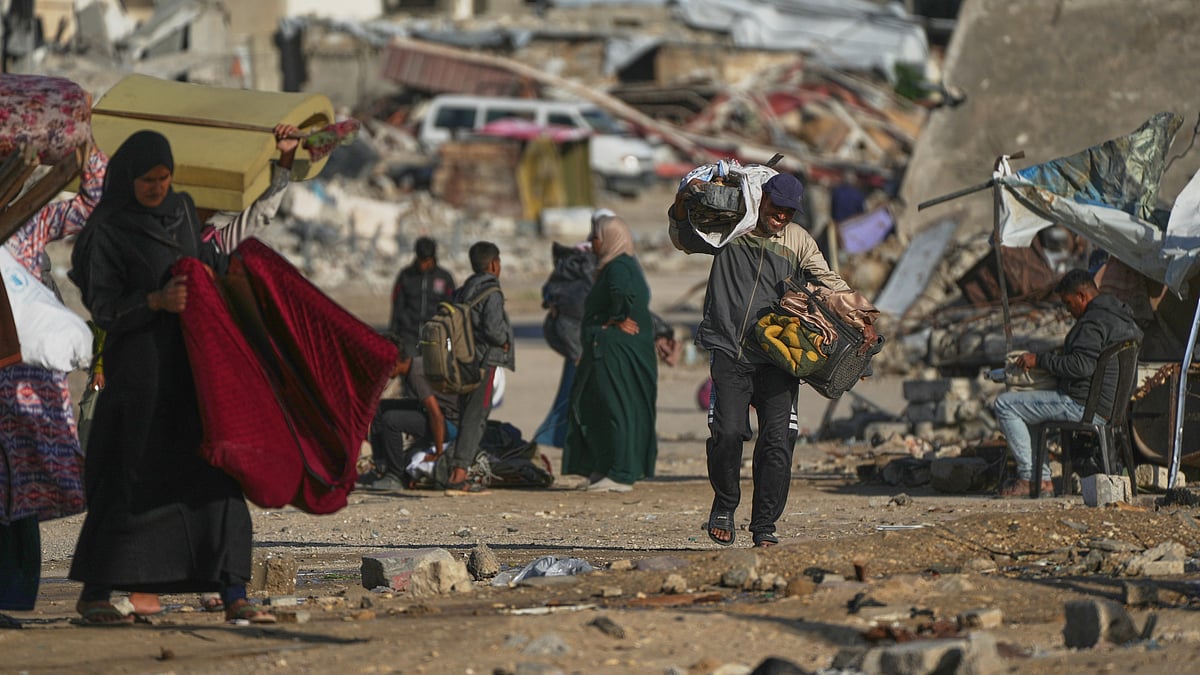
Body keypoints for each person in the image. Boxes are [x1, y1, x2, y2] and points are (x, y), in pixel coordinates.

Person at [80, 123, 300, 617]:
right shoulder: (106, 231)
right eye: (147, 180)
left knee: (216, 480)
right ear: (127, 178)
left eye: (164, 177)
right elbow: (103, 307)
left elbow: (212, 260)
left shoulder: (180, 213)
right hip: (138, 382)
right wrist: (154, 300)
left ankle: (234, 593)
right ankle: (96, 594)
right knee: (127, 484)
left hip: (190, 378)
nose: (157, 187)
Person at [670, 170, 872, 548]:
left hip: (780, 355)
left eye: (788, 212)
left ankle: (764, 525)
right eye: (776, 209)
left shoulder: (797, 240)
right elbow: (684, 239)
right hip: (729, 347)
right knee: (728, 432)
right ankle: (725, 506)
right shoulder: (733, 224)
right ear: (761, 199)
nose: (780, 217)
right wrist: (681, 204)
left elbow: (829, 283)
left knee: (779, 442)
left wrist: (862, 319)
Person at [0, 144, 105, 621]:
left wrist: (86, 148)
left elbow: (91, 202)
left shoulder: (28, 224)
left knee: (20, 485)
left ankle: (13, 595)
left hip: (22, 378)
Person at [992, 268, 1143, 498]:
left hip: (1084, 406)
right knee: (1028, 405)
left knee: (1005, 404)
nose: (1068, 309)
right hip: (1110, 409)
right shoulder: (1121, 318)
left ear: (1082, 296)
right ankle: (1039, 479)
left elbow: (1081, 366)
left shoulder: (1092, 322)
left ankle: (1032, 478)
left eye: (1068, 302)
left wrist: (1040, 360)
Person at [562, 212, 658, 493]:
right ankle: (605, 467)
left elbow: (622, 294)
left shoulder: (618, 268)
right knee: (600, 407)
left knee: (618, 407)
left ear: (611, 239)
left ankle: (620, 473)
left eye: (596, 237)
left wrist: (616, 318)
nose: (592, 242)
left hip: (616, 350)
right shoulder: (620, 265)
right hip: (613, 348)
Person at [444, 241, 512, 494]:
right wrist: (504, 341)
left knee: (466, 416)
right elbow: (494, 330)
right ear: (494, 264)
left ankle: (455, 469)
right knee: (476, 418)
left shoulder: (463, 290)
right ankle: (458, 476)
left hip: (462, 362)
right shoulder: (491, 292)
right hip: (484, 363)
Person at [362, 339, 458, 491]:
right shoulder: (413, 366)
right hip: (435, 416)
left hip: (450, 424)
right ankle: (382, 468)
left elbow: (436, 415)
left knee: (391, 420)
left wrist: (438, 454)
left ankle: (395, 475)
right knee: (380, 407)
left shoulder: (416, 374)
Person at [388, 236, 455, 355]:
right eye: (421, 261)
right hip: (409, 336)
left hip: (435, 338)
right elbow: (397, 306)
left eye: (427, 261)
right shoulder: (405, 276)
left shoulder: (444, 278)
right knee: (411, 371)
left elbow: (452, 307)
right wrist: (393, 334)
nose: (424, 265)